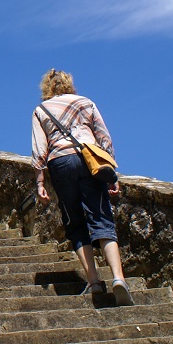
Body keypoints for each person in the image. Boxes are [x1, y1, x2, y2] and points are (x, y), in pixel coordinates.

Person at [31, 69, 134, 307]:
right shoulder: (85, 103)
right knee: (101, 217)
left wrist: (39, 182)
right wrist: (111, 174)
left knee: (75, 222)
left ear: (46, 88)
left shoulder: (41, 110)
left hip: (60, 162)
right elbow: (103, 137)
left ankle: (94, 281)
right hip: (90, 160)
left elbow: (39, 149)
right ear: (69, 84)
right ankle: (118, 278)